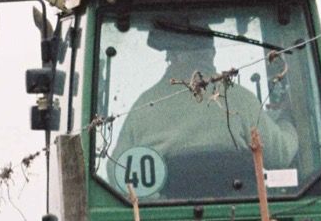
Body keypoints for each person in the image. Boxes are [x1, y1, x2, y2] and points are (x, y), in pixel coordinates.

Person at [108, 27, 299, 186]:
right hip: (240, 214)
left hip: (159, 217)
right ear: (212, 53)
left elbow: (116, 171)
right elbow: (280, 155)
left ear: (171, 55)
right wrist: (287, 121)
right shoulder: (240, 99)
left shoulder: (145, 106)